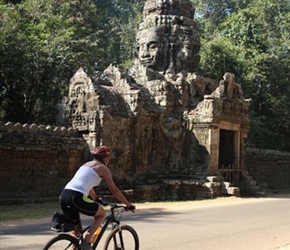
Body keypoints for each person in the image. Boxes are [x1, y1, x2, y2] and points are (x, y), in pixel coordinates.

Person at [59, 146, 135, 250]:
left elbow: (87, 185)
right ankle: (86, 242)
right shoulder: (103, 168)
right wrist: (128, 204)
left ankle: (75, 247)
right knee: (102, 214)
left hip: (64, 195)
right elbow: (114, 190)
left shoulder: (86, 165)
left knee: (77, 232)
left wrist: (95, 198)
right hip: (76, 196)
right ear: (106, 159)